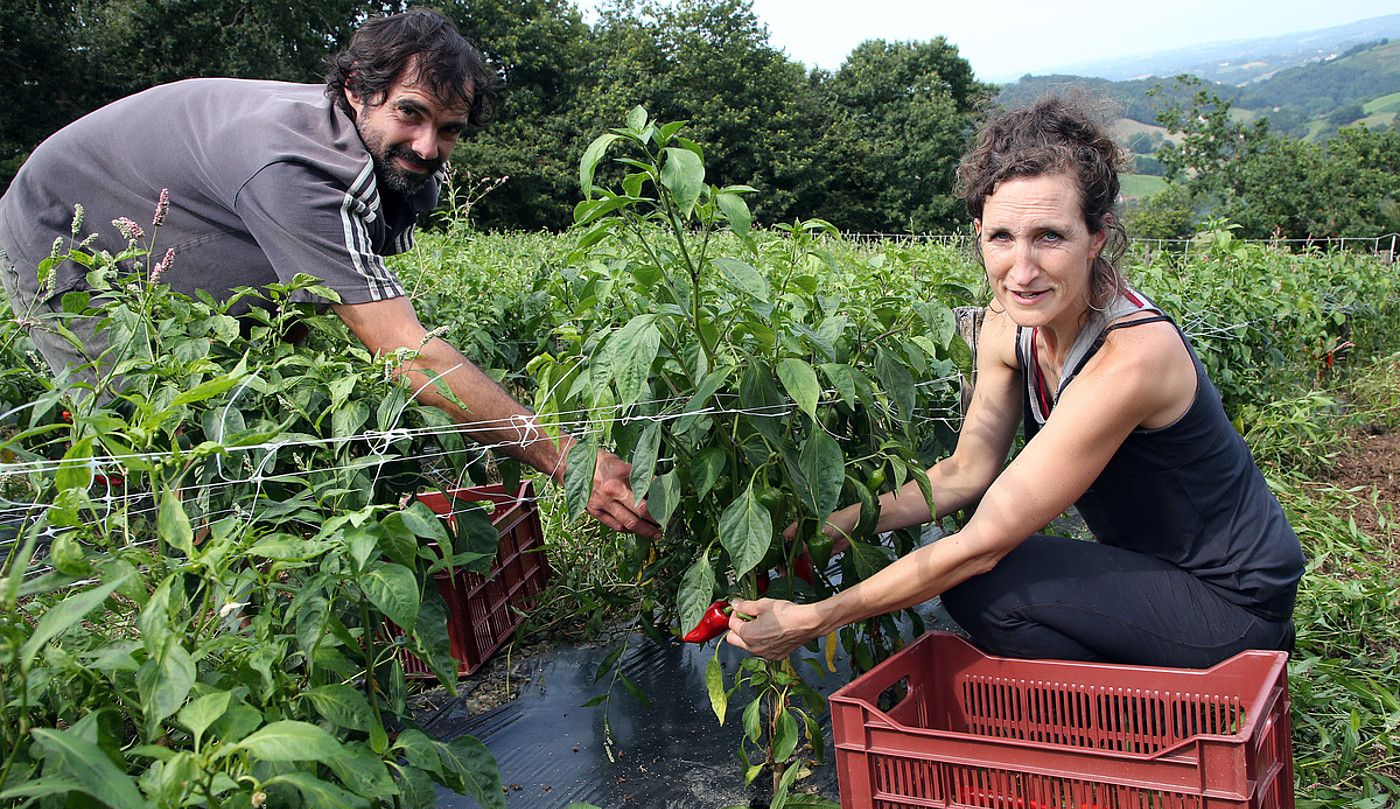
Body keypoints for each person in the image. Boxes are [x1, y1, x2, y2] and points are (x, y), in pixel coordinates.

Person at [0, 9, 658, 538]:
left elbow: (340, 296)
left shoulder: (405, 168)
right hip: (69, 228)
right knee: (142, 425)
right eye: (411, 113)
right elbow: (409, 357)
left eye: (449, 128)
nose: (429, 146)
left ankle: (250, 544)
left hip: (188, 227)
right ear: (357, 92)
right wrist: (566, 460)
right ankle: (153, 581)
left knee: (256, 393)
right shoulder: (297, 173)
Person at [725, 96, 1304, 668]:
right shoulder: (1008, 329)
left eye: (1050, 236)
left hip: (1235, 604)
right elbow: (964, 472)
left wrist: (816, 617)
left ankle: (1145, 721)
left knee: (985, 585)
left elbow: (983, 544)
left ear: (1097, 235)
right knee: (987, 583)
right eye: (1002, 237)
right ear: (978, 232)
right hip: (1153, 572)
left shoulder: (1131, 356)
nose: (1021, 271)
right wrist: (830, 527)